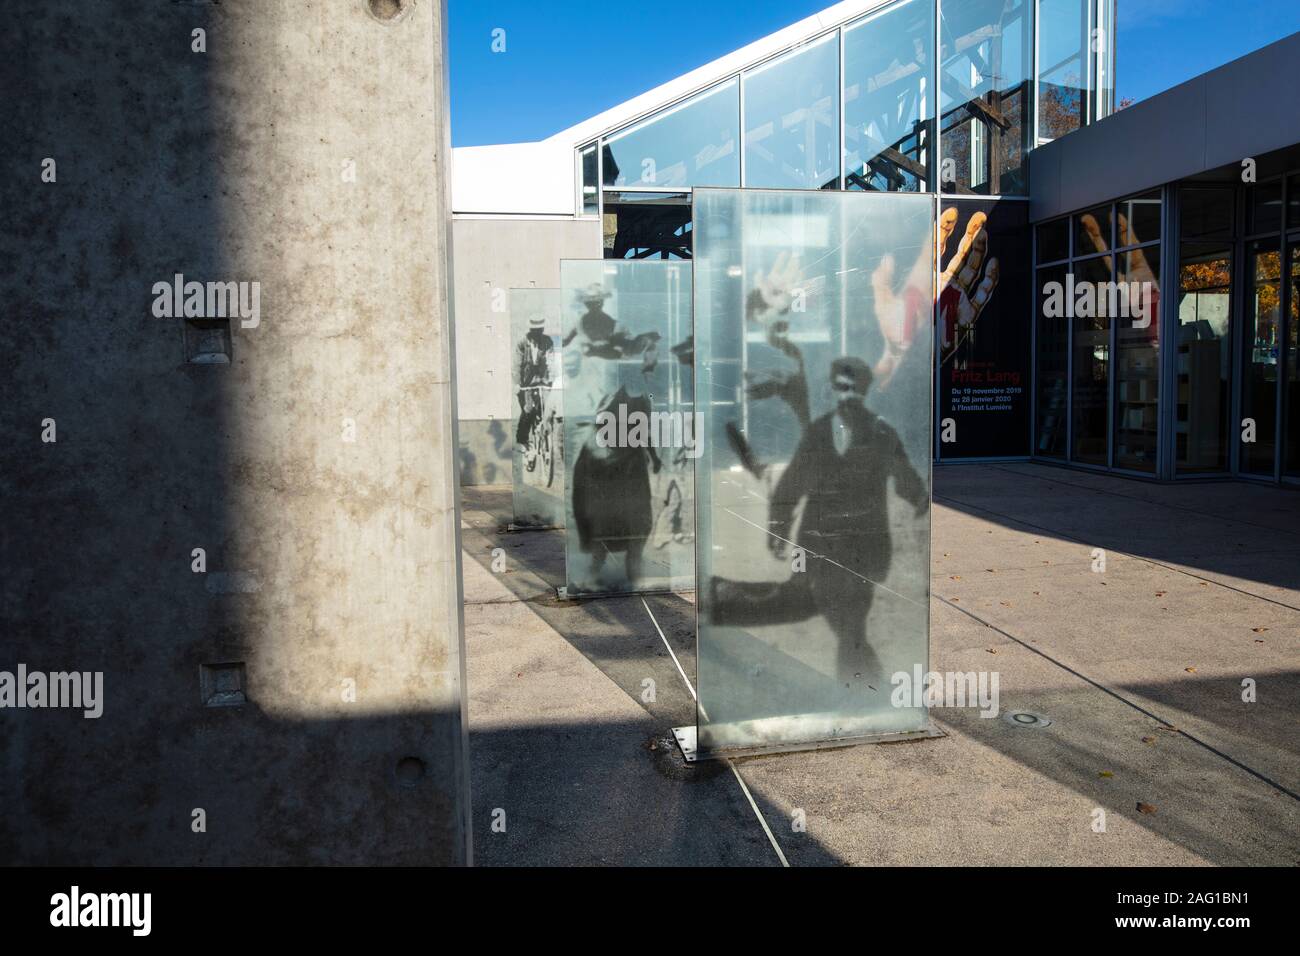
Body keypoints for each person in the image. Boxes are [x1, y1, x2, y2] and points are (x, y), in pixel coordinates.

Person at [709, 357, 929, 682]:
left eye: (850, 385)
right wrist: (778, 527)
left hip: (853, 550)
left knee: (829, 612)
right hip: (839, 549)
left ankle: (721, 599)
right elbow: (793, 482)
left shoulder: (862, 431)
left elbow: (904, 477)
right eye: (843, 385)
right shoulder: (862, 430)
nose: (847, 392)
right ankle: (863, 691)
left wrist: (778, 527)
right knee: (834, 616)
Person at [515, 313, 553, 467]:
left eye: (540, 329)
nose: (538, 332)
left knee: (548, 409)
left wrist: (552, 379)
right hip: (526, 384)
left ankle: (545, 439)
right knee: (528, 411)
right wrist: (517, 383)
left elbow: (551, 361)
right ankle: (524, 443)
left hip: (543, 382)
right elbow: (516, 365)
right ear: (530, 329)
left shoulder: (547, 341)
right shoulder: (522, 343)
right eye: (535, 330)